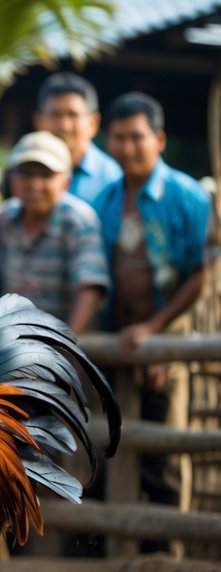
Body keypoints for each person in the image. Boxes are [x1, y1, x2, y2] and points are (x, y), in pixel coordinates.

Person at [91, 92, 212, 511]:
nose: (127, 147)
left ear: (158, 139)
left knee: (164, 453)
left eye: (137, 137)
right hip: (114, 345)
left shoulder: (187, 195)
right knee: (111, 447)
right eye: (119, 138)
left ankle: (167, 563)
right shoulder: (104, 199)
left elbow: (198, 275)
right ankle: (120, 563)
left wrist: (155, 328)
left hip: (166, 340)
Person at [0, 131, 108, 333]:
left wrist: (66, 345)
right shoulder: (5, 218)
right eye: (26, 173)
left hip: (64, 349)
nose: (34, 185)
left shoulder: (77, 220)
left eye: (46, 175)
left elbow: (90, 288)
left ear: (66, 182)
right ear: (11, 178)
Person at [34, 72, 121, 205]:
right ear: (38, 121)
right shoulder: (23, 173)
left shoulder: (113, 178)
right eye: (55, 115)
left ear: (93, 123)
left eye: (72, 115)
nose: (64, 126)